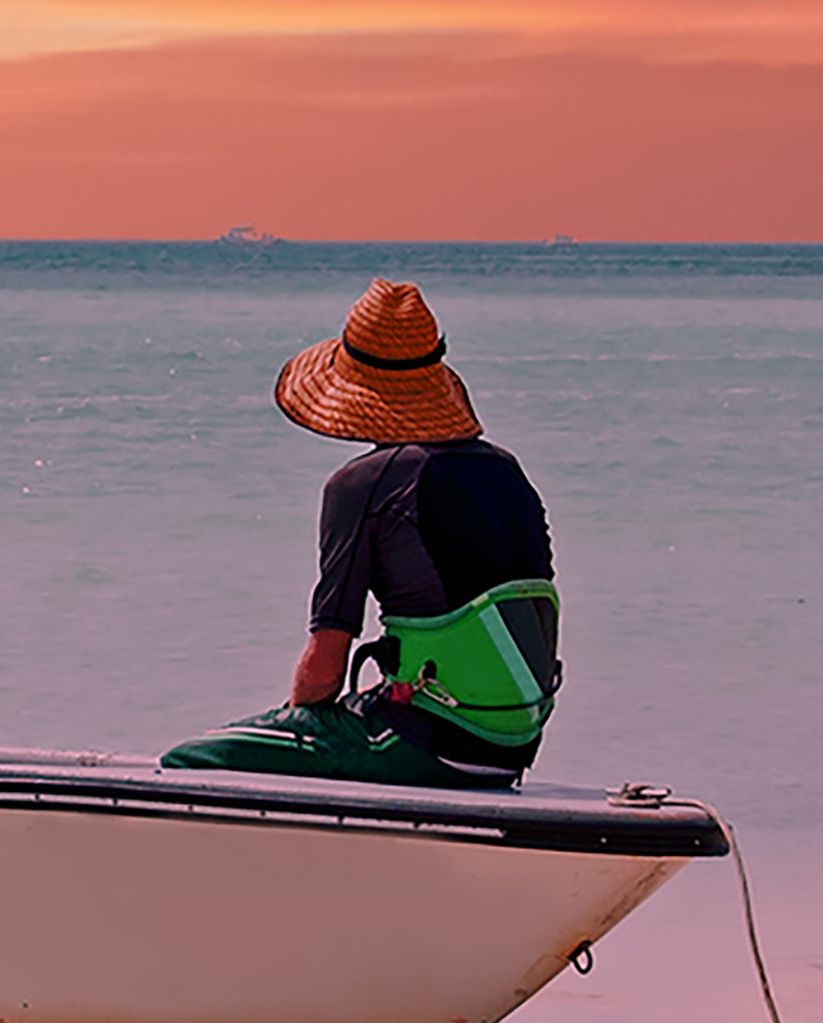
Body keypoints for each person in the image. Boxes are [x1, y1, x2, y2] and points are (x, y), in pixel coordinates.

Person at [165, 278, 559, 786]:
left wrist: (299, 725)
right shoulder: (508, 472)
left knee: (190, 762)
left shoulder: (362, 485)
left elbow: (327, 663)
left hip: (424, 743)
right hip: (513, 747)